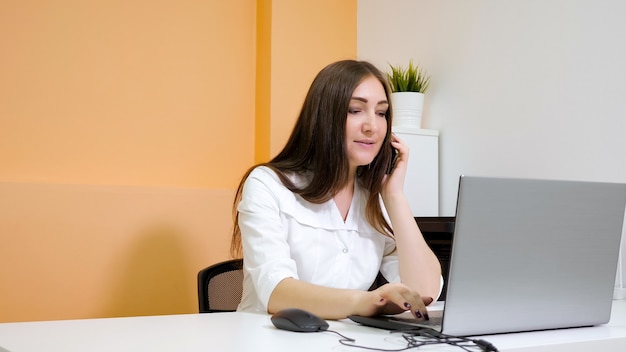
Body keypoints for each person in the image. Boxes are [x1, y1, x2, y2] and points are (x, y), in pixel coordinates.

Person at [229, 59, 442, 320]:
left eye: (381, 113)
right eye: (355, 110)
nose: (372, 126)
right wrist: (367, 301)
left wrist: (395, 196)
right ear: (323, 117)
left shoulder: (374, 197)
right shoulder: (267, 185)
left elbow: (424, 293)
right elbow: (276, 291)